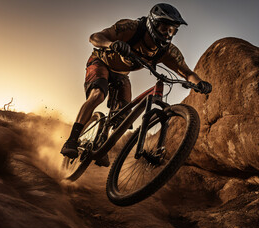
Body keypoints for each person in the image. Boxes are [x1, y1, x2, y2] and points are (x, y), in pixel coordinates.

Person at [60, 3, 212, 167]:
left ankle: (101, 145)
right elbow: (95, 37)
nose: (167, 34)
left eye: (172, 30)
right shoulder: (131, 27)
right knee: (98, 95)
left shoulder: (167, 51)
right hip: (100, 62)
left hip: (122, 75)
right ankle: (71, 140)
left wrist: (200, 84)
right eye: (163, 28)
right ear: (153, 24)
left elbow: (187, 72)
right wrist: (111, 44)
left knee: (123, 118)